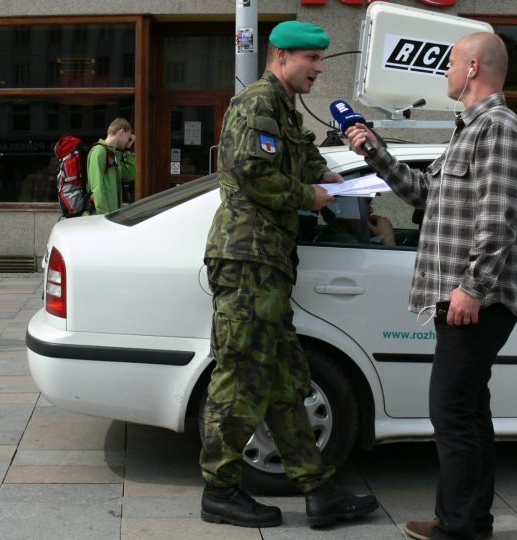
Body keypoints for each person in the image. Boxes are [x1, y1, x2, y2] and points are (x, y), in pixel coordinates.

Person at [346, 32, 517, 540]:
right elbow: (427, 192)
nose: (445, 73)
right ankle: (470, 520)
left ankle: (457, 528)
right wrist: (376, 152)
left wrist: (472, 288)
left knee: (451, 411)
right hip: (462, 295)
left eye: (450, 64)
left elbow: (501, 217)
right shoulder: (469, 130)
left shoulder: (497, 127)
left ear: (472, 68)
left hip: (477, 298)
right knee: (468, 412)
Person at [199, 20, 379, 530]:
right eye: (312, 60)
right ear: (280, 56)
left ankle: (317, 489)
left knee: (284, 378)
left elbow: (297, 155)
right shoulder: (256, 103)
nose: (320, 70)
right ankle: (220, 489)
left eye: (321, 60)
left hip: (269, 263)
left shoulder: (281, 108)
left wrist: (329, 176)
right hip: (247, 261)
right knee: (240, 377)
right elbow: (251, 172)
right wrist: (310, 196)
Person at [87, 118, 136, 215]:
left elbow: (131, 174)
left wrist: (128, 150)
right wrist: (103, 215)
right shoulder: (99, 151)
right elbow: (97, 187)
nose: (128, 141)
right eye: (128, 137)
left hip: (113, 214)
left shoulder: (113, 154)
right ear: (121, 132)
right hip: (102, 216)